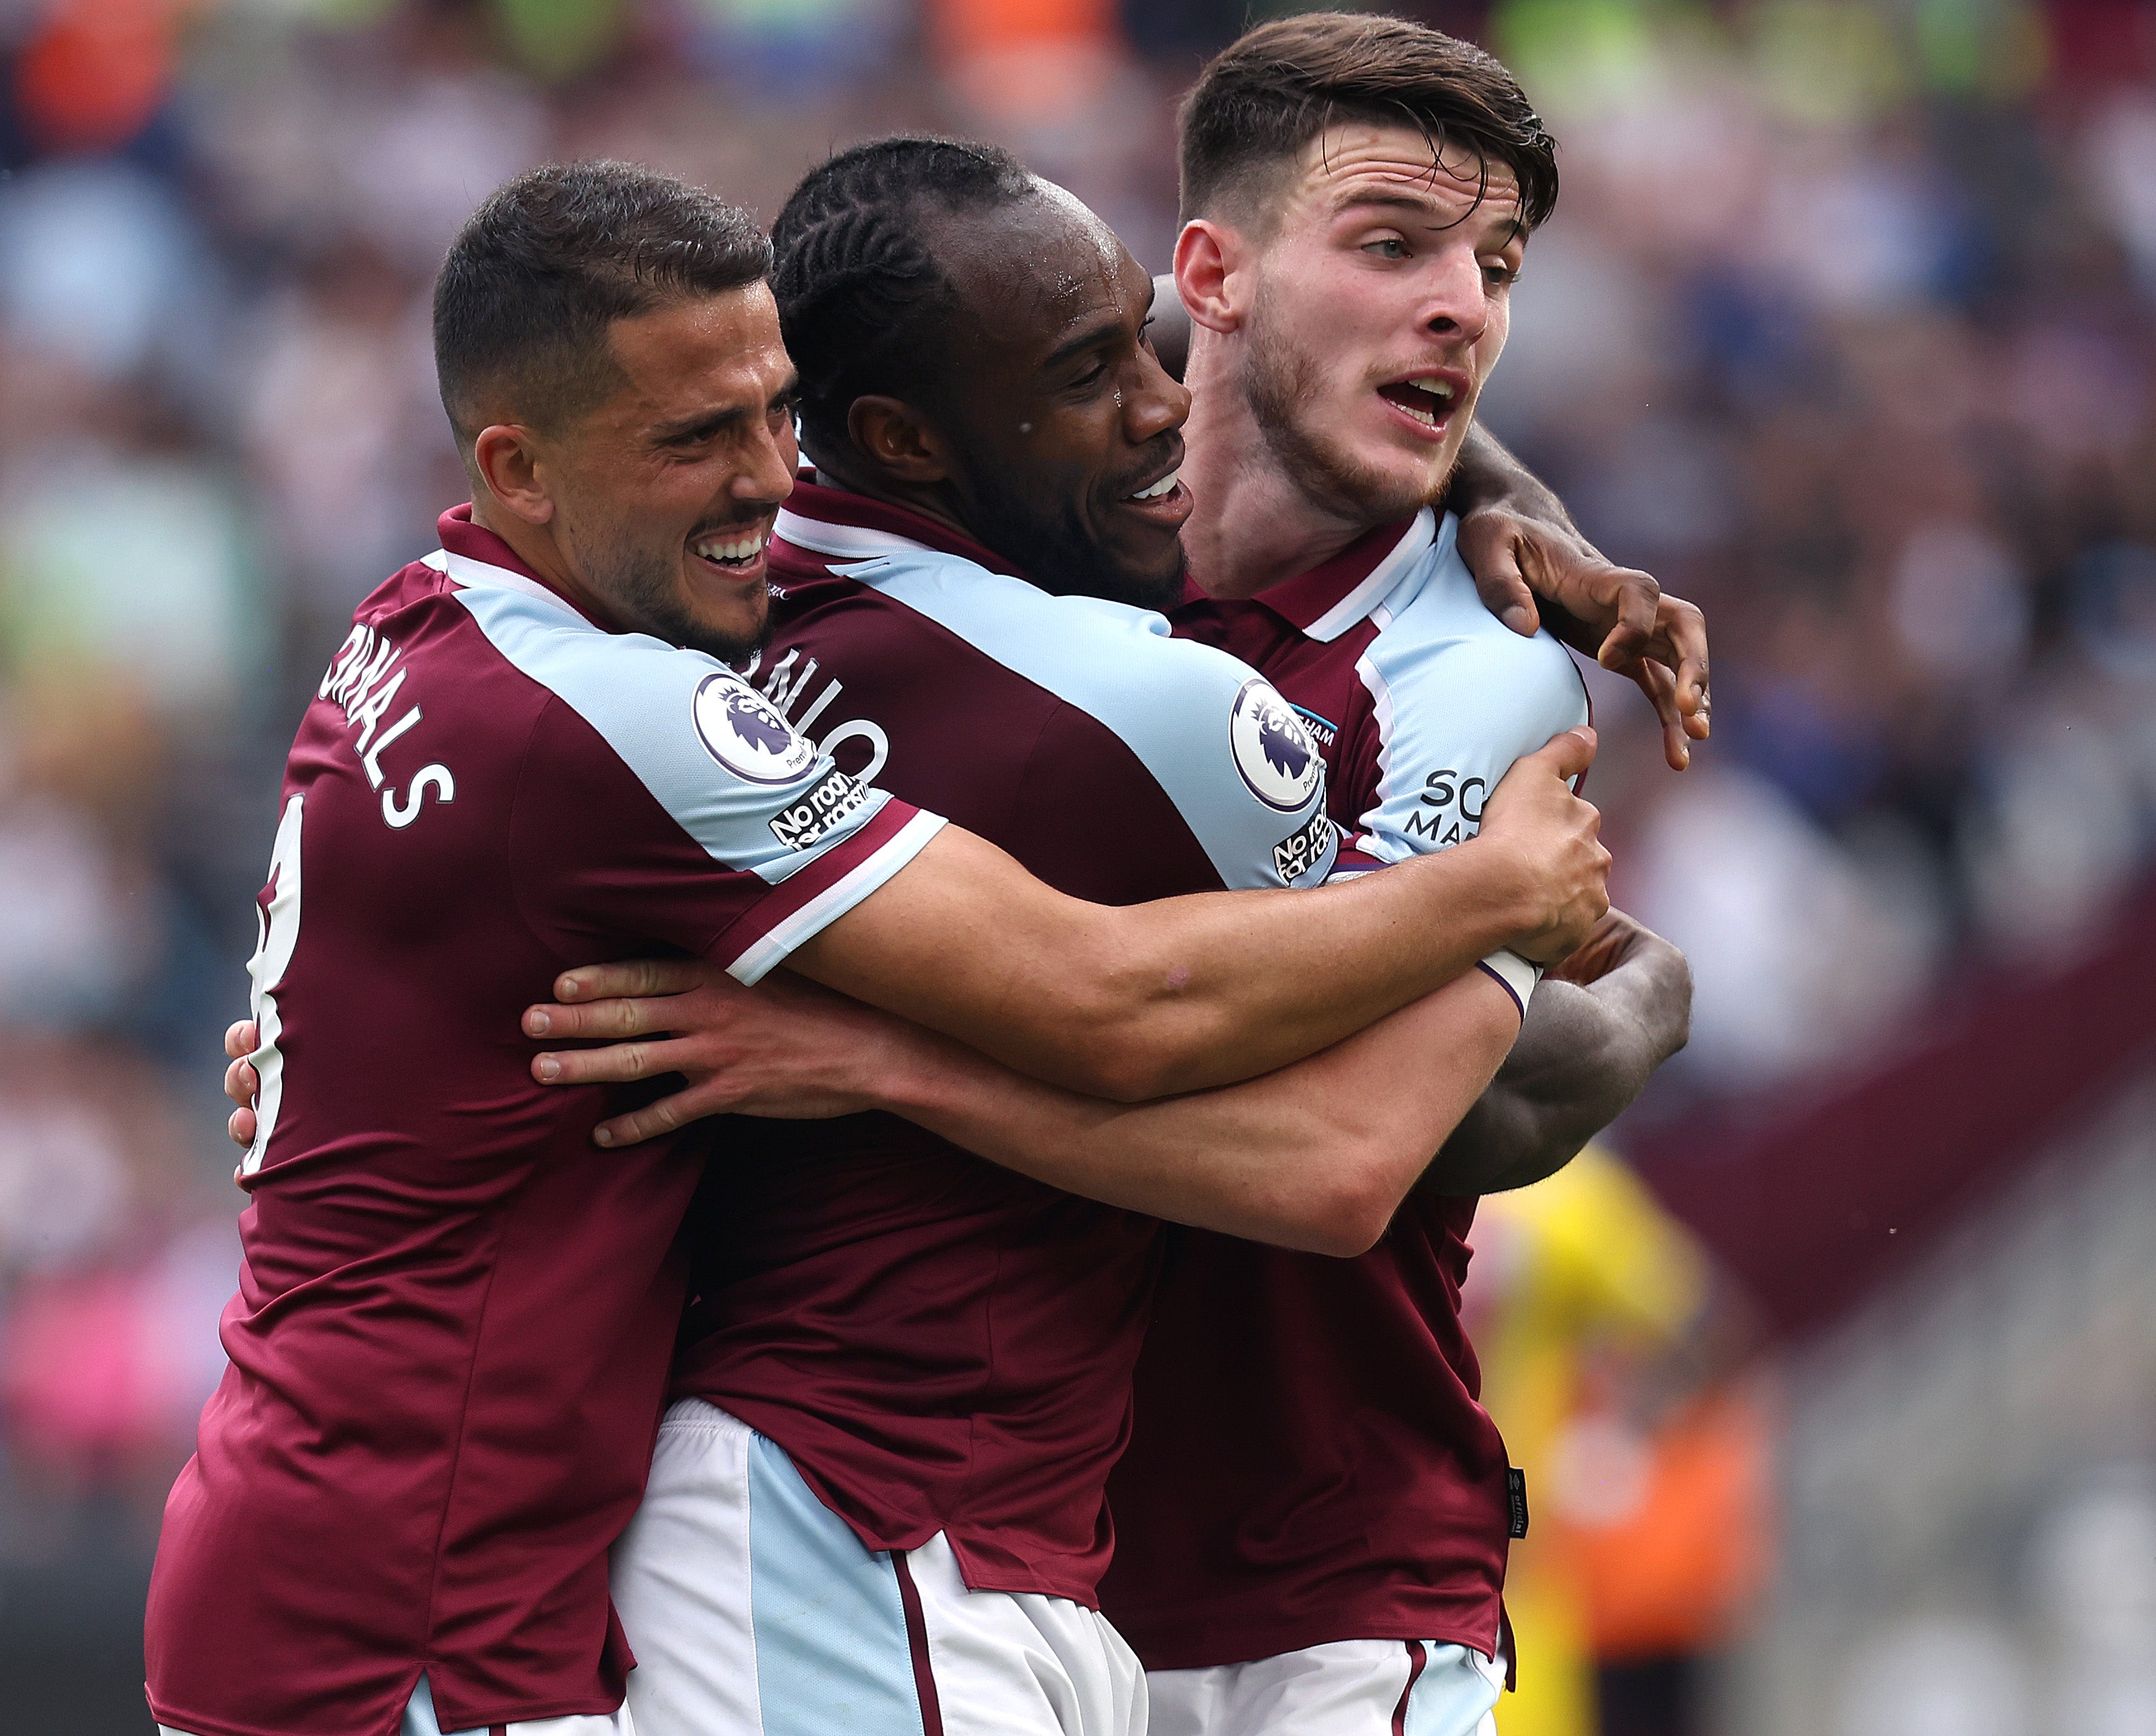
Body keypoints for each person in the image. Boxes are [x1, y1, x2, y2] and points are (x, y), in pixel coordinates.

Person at [159, 157, 1615, 1736]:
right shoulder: (633, 716)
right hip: (436, 1606)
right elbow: (1112, 1002)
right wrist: (1494, 889)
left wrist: (1489, 486)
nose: (767, 480)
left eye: (777, 412)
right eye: (696, 438)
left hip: (395, 1555)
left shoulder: (424, 621)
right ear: (520, 466)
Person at [513, 20, 1698, 1736]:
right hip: (980, 1559)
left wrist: (877, 1059)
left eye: (1494, 268)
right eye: (1389, 246)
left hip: (1311, 1601)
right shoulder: (1019, 519)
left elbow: (1352, 1153)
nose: (1461, 307)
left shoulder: (1477, 662)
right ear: (1203, 281)